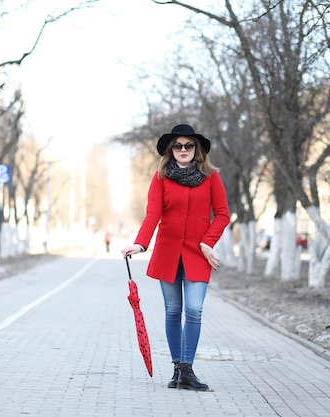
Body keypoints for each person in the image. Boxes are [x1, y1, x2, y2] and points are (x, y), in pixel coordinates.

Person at [121, 124, 230, 391]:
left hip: (197, 253)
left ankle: (187, 369)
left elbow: (223, 214)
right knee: (173, 311)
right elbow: (152, 215)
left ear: (197, 149)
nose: (183, 150)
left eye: (188, 145)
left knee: (194, 309)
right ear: (171, 149)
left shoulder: (211, 177)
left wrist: (207, 242)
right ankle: (178, 369)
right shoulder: (160, 178)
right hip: (168, 252)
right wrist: (140, 243)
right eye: (178, 146)